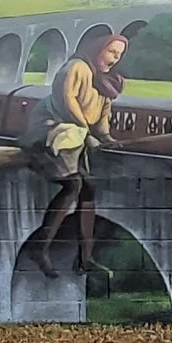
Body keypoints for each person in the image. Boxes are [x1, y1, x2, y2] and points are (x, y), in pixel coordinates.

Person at [32, 30, 128, 277]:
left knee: (88, 188)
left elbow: (103, 116)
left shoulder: (105, 82)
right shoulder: (75, 68)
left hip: (76, 141)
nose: (115, 58)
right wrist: (87, 133)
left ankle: (85, 258)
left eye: (119, 54)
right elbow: (67, 101)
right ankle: (39, 248)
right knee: (73, 185)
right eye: (111, 51)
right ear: (99, 48)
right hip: (53, 132)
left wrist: (106, 137)